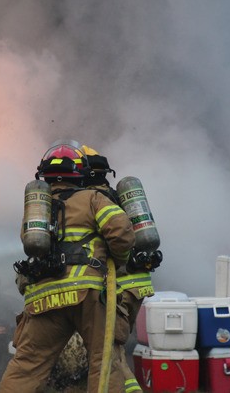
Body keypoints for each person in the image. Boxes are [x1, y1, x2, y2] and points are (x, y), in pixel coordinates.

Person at [0, 142, 135, 393]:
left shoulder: (38, 209)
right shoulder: (93, 198)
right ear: (81, 173)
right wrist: (119, 258)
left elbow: (30, 244)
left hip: (45, 298)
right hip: (89, 294)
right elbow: (122, 233)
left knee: (27, 366)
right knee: (104, 361)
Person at [80, 144, 158, 393]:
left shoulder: (96, 205)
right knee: (115, 355)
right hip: (135, 287)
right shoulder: (118, 199)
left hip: (119, 290)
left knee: (111, 358)